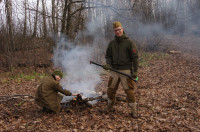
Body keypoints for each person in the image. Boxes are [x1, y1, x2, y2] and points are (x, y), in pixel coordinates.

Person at [102, 21, 139, 118]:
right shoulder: (112, 43)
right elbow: (108, 56)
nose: (118, 32)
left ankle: (133, 110)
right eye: (115, 30)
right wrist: (108, 64)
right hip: (114, 70)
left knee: (129, 91)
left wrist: (135, 71)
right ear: (114, 32)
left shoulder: (129, 42)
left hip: (126, 70)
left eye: (119, 30)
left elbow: (135, 58)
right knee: (110, 90)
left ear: (122, 29)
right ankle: (110, 106)